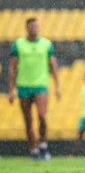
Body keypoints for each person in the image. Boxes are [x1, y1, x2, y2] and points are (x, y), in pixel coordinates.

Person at [8, 18, 61, 160]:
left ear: (38, 27)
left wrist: (57, 86)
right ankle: (34, 150)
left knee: (42, 116)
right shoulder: (18, 45)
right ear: (26, 28)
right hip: (24, 86)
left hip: (41, 86)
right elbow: (12, 68)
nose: (33, 28)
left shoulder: (46, 44)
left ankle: (43, 144)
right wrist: (11, 89)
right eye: (30, 25)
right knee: (28, 121)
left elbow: (53, 66)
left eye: (35, 25)